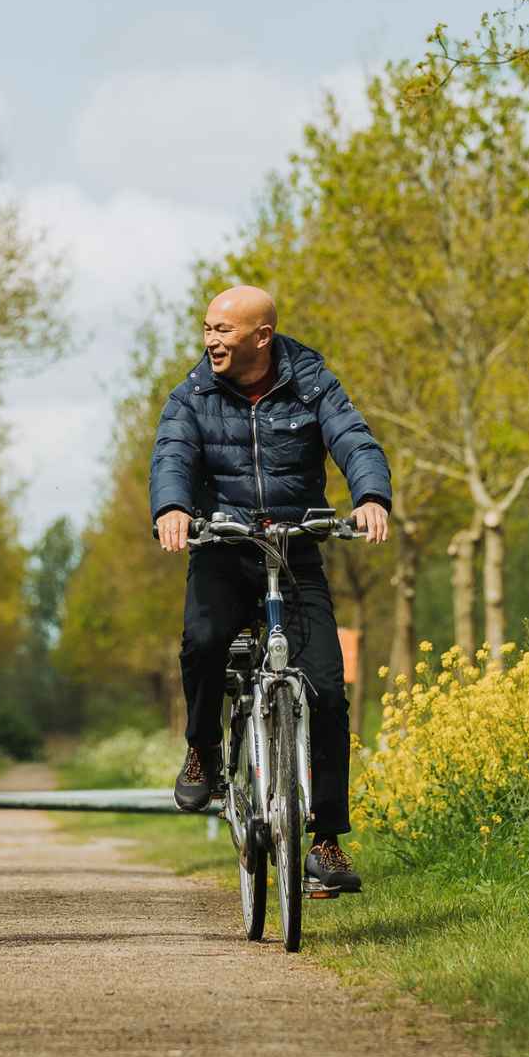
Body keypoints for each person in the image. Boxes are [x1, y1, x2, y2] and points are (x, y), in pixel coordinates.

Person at [150, 286, 390, 894]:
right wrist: (174, 508)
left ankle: (328, 841)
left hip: (295, 546)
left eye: (224, 330)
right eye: (207, 328)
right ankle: (203, 749)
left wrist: (369, 496)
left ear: (262, 336)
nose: (211, 340)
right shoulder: (193, 394)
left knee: (329, 690)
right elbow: (173, 454)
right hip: (222, 548)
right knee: (202, 643)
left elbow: (352, 438)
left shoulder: (312, 382)